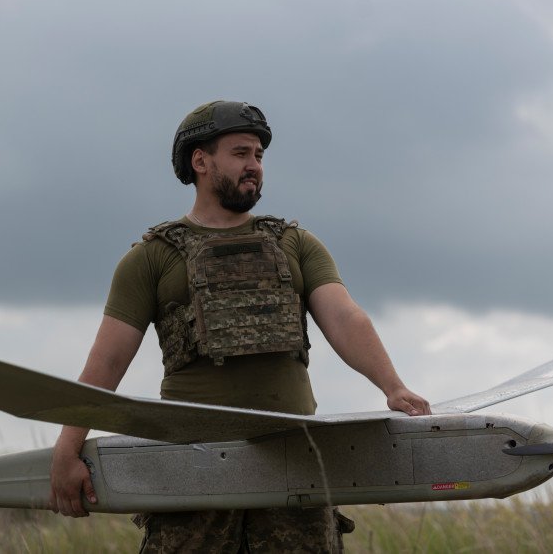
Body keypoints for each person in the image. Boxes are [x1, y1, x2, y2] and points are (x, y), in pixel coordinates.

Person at [48, 100, 430, 552]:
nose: (254, 166)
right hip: (194, 469)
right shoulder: (150, 258)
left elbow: (345, 318)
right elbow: (108, 360)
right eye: (241, 153)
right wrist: (68, 447)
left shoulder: (295, 244)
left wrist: (393, 385)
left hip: (294, 463)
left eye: (259, 156)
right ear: (201, 161)